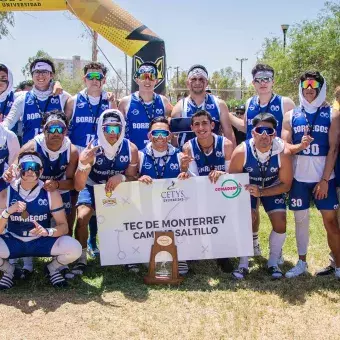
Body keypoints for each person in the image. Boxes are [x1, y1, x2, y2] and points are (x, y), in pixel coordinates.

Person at [228, 63, 295, 256]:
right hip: (254, 160)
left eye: (267, 79)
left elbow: (292, 132)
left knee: (279, 213)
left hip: (277, 161)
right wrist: (227, 115)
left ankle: (276, 254)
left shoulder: (286, 103)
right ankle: (254, 243)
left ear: (273, 81)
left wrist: (288, 152)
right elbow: (246, 128)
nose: (263, 83)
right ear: (253, 83)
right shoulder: (250, 103)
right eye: (259, 79)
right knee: (252, 208)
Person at [282, 71, 340, 279]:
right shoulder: (291, 115)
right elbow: (284, 146)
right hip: (299, 179)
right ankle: (301, 263)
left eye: (313, 87)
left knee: (331, 222)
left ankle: (339, 266)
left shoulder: (332, 114)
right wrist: (300, 146)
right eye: (305, 86)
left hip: (324, 178)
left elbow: (333, 149)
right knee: (300, 220)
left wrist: (325, 180)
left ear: (320, 88)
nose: (309, 90)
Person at [0, 151, 82, 289]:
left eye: (35, 166)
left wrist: (47, 231)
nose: (30, 171)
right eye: (26, 166)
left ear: (41, 170)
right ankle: (10, 271)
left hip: (40, 241)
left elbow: (64, 227)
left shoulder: (50, 192)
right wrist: (8, 212)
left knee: (75, 248)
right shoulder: (6, 192)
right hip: (14, 240)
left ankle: (52, 268)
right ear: (19, 169)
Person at [73, 109, 138, 275]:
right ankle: (80, 257)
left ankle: (128, 255)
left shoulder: (131, 149)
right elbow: (79, 185)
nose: (111, 133)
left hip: (117, 187)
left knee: (129, 219)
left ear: (122, 129)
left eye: (116, 128)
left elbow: (133, 177)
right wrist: (83, 164)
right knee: (82, 217)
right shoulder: (92, 148)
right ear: (101, 129)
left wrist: (121, 177)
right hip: (92, 185)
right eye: (107, 129)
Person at [229, 113, 292, 279]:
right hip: (247, 188)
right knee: (246, 219)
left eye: (269, 131)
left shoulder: (282, 152)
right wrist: (247, 202)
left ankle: (273, 261)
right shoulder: (241, 151)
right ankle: (243, 262)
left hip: (272, 186)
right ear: (253, 133)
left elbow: (286, 184)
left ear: (275, 134)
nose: (264, 134)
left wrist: (262, 192)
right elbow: (232, 183)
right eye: (260, 130)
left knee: (280, 222)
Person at [64, 61, 115, 257]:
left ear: (104, 79)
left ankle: (93, 242)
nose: (95, 80)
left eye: (99, 76)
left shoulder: (110, 100)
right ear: (84, 79)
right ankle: (69, 241)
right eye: (91, 77)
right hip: (78, 155)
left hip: (101, 155)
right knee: (73, 198)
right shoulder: (74, 101)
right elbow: (65, 128)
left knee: (97, 199)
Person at [181, 110, 234, 272]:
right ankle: (194, 250)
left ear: (212, 125)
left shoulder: (226, 144)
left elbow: (233, 174)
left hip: (222, 193)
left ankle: (223, 254)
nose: (201, 127)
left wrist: (222, 174)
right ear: (192, 127)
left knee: (223, 215)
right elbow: (193, 176)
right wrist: (183, 170)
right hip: (200, 192)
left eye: (204, 123)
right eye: (196, 124)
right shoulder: (188, 147)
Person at [138, 116, 189, 274]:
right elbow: (130, 179)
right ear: (149, 135)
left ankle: (181, 257)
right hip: (149, 206)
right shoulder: (140, 155)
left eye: (164, 133)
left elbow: (193, 185)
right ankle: (148, 255)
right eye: (156, 133)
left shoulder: (181, 156)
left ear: (170, 135)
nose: (160, 137)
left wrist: (185, 173)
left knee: (180, 221)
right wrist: (139, 179)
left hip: (173, 206)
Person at [3, 58, 70, 144]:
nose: (40, 75)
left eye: (44, 71)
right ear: (32, 75)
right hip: (30, 152)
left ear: (51, 75)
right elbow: (8, 123)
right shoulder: (22, 99)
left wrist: (56, 83)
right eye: (37, 72)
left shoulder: (63, 96)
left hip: (56, 152)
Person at [171, 64, 235, 149]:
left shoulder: (219, 104)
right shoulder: (179, 107)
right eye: (193, 79)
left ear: (207, 83)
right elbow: (174, 139)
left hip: (214, 157)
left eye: (201, 79)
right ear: (187, 83)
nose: (197, 82)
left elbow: (229, 134)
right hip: (187, 157)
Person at [118, 61, 173, 150]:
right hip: (134, 154)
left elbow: (174, 121)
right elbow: (117, 128)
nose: (147, 81)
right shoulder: (126, 102)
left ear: (157, 80)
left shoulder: (163, 101)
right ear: (137, 79)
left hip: (156, 154)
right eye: (143, 77)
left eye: (151, 77)